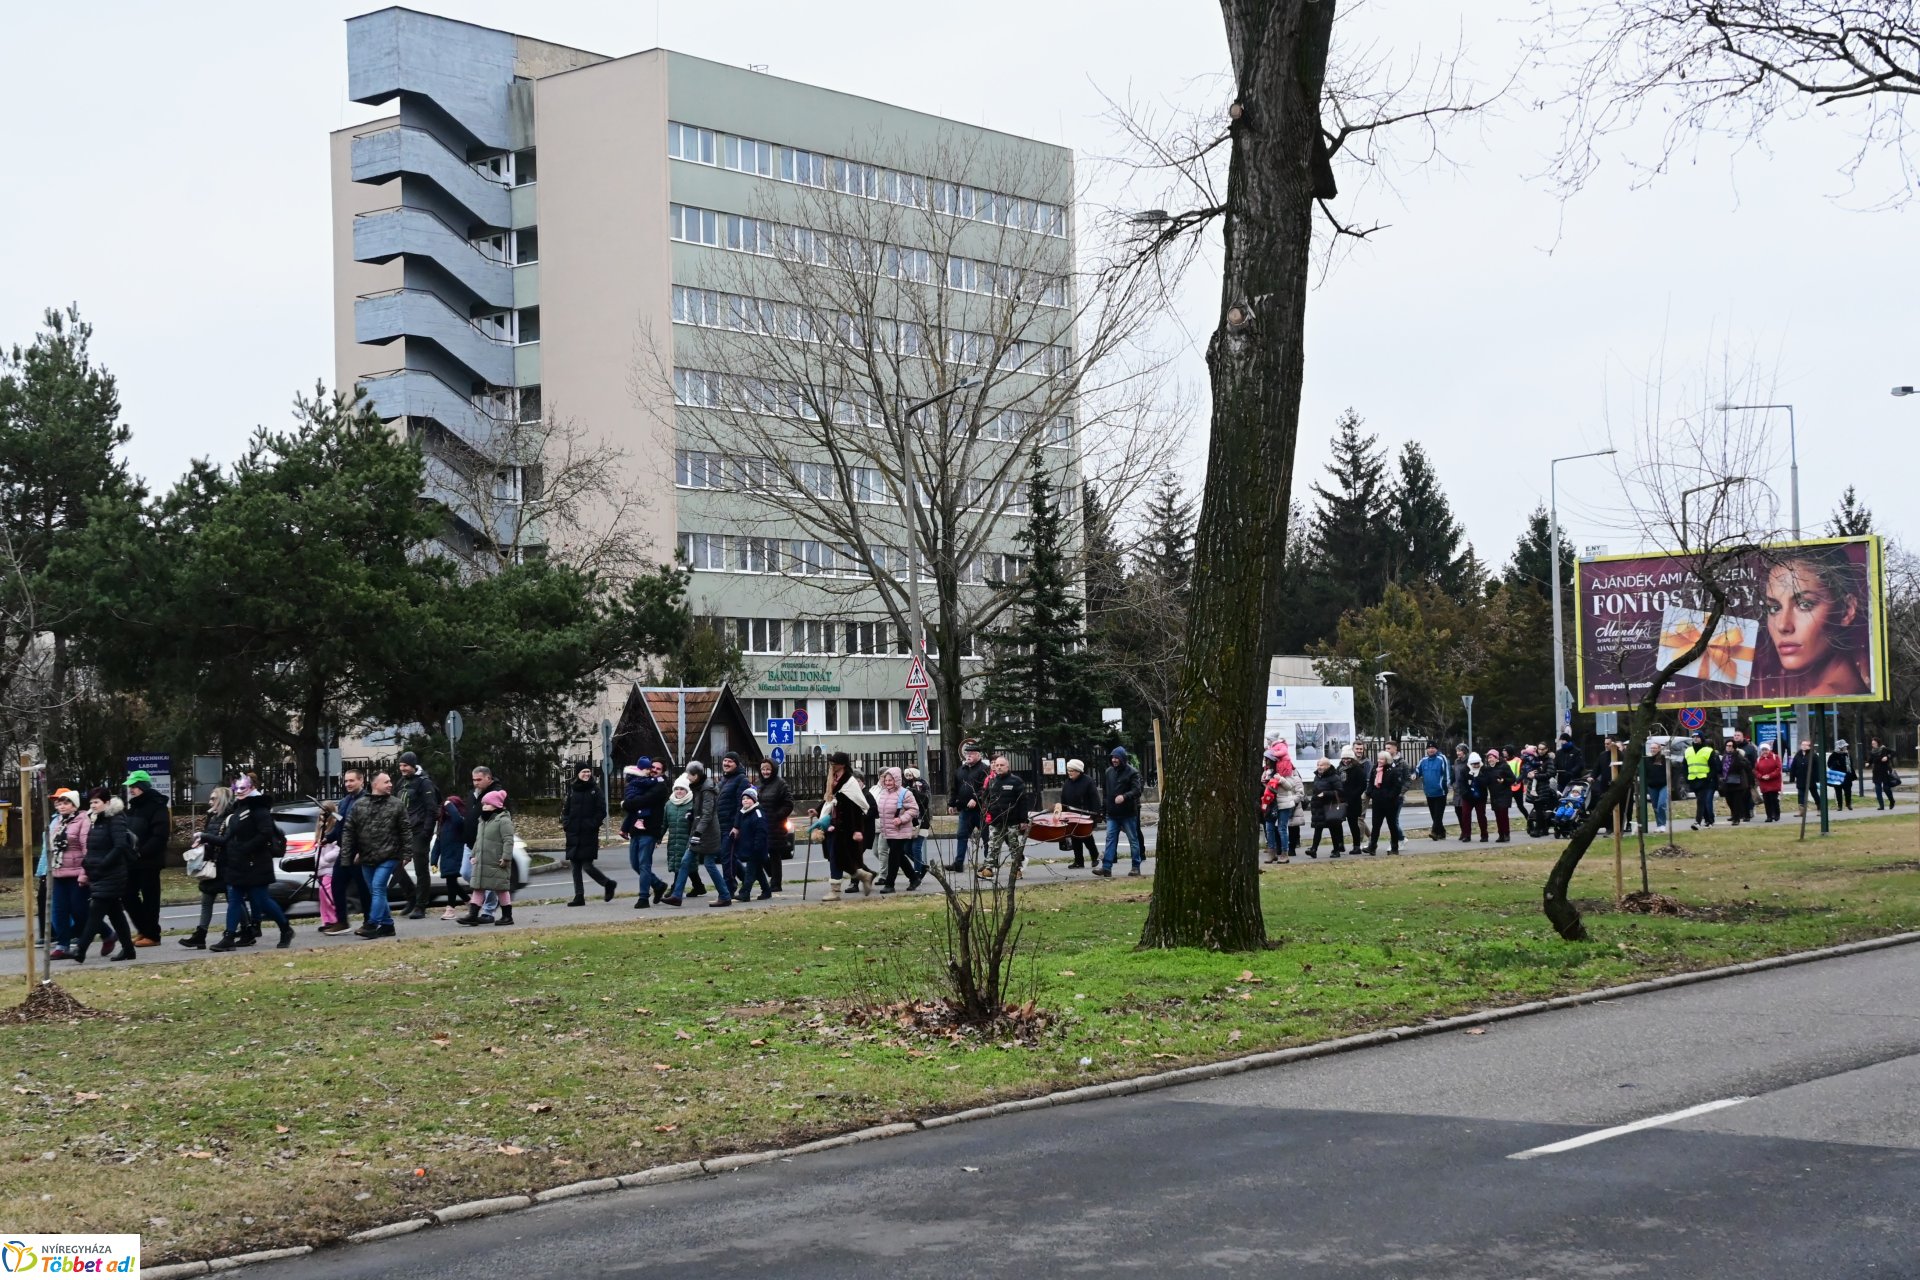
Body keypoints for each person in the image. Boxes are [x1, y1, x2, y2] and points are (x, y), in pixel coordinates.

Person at [1754, 547, 1873, 699]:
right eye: (1774, 608)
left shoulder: (1827, 694)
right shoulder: (1843, 688)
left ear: (1847, 610)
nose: (1783, 626)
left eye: (1804, 605)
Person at [206, 775, 295, 951]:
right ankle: (229, 937)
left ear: (251, 788)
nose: (238, 792)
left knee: (261, 901)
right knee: (234, 899)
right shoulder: (238, 809)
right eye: (236, 788)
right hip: (237, 863)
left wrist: (246, 848)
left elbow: (265, 833)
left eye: (243, 788)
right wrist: (206, 838)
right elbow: (228, 837)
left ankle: (285, 929)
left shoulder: (259, 809)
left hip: (256, 863)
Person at [341, 770, 410, 938]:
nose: (390, 784)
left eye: (390, 781)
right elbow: (349, 831)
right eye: (386, 782)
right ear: (375, 785)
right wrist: (347, 856)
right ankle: (387, 925)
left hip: (389, 855)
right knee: (374, 891)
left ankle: (371, 924)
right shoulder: (360, 805)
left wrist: (407, 853)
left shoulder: (396, 804)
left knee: (378, 887)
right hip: (367, 856)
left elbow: (406, 830)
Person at [73, 788, 137, 963]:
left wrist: (101, 866)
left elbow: (119, 847)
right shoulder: (96, 820)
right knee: (116, 914)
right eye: (91, 802)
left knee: (95, 911)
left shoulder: (115, 819)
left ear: (107, 803)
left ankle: (80, 949)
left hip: (112, 874)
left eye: (96, 802)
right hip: (98, 873)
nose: (93, 805)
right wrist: (87, 865)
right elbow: (93, 847)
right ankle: (129, 950)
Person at [120, 768, 170, 947]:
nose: (131, 789)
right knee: (127, 894)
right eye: (130, 786)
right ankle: (143, 929)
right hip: (132, 860)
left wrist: (141, 852)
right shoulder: (133, 807)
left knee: (150, 898)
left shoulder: (157, 806)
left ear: (143, 786)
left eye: (134, 786)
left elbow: (160, 835)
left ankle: (152, 935)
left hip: (149, 861)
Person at [456, 790, 518, 925]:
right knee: (478, 888)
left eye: (487, 804)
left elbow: (508, 840)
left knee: (501, 889)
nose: (484, 806)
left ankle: (507, 916)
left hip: (497, 861)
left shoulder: (503, 821)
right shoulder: (482, 821)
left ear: (496, 805)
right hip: (482, 862)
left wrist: (506, 857)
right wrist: (473, 855)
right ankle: (472, 915)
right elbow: (478, 841)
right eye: (483, 804)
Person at [822, 752, 877, 897]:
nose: (832, 765)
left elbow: (856, 808)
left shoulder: (850, 783)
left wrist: (857, 830)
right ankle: (864, 875)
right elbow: (829, 799)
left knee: (837, 859)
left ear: (843, 765)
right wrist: (816, 810)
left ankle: (835, 891)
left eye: (835, 763)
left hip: (845, 827)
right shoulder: (833, 779)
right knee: (838, 859)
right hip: (833, 825)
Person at [562, 762, 616, 906]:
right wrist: (566, 823)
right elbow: (566, 809)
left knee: (587, 865)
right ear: (577, 774)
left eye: (588, 771)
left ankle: (608, 884)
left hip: (588, 833)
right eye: (583, 772)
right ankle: (579, 896)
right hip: (573, 832)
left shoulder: (595, 790)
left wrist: (592, 825)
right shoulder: (572, 789)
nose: (586, 774)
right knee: (575, 867)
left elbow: (601, 811)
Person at [45, 789, 90, 960]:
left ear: (74, 806)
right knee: (59, 911)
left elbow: (87, 849)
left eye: (66, 803)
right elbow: (51, 849)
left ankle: (107, 933)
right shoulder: (57, 823)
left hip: (76, 873)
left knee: (80, 911)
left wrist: (85, 874)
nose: (61, 806)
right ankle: (62, 945)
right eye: (59, 803)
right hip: (58, 874)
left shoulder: (82, 821)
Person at [396, 751, 441, 920]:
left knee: (421, 869)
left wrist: (426, 832)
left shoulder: (424, 783)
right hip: (403, 831)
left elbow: (432, 809)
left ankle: (421, 906)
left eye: (405, 765)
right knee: (395, 864)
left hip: (419, 831)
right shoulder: (401, 782)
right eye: (400, 765)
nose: (402, 769)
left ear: (413, 765)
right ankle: (411, 896)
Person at [682, 760, 733, 904]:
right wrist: (692, 813)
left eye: (689, 775)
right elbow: (700, 810)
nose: (687, 778)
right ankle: (677, 894)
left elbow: (707, 814)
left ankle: (724, 895)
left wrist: (698, 833)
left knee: (709, 863)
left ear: (696, 775)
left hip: (708, 832)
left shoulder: (706, 788)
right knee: (689, 861)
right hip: (702, 830)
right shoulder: (699, 787)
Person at [322, 769, 367, 934]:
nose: (348, 784)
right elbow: (339, 826)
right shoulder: (345, 801)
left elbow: (366, 829)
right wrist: (328, 838)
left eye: (352, 781)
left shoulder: (365, 801)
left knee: (363, 889)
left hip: (359, 852)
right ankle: (342, 921)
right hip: (344, 851)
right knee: (336, 885)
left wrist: (361, 851)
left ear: (361, 781)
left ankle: (369, 921)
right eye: (346, 781)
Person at [623, 759, 670, 908]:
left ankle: (643, 897)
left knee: (644, 864)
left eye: (658, 768)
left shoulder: (660, 786)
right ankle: (658, 884)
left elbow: (641, 801)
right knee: (635, 864)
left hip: (650, 830)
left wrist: (627, 803)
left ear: (662, 771)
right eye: (652, 767)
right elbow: (634, 805)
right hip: (636, 829)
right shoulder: (644, 782)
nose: (654, 770)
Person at [980, 753, 1034, 879]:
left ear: (1007, 766)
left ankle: (1016, 869)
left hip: (1012, 820)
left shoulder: (1016, 781)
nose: (998, 767)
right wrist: (988, 811)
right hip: (996, 819)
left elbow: (1023, 802)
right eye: (997, 765)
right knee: (993, 845)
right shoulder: (992, 781)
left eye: (1001, 765)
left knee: (1014, 846)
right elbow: (986, 798)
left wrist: (1023, 820)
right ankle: (988, 868)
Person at [876, 767, 923, 892]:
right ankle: (914, 878)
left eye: (890, 780)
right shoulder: (884, 793)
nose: (887, 783)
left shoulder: (905, 793)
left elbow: (914, 809)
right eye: (886, 780)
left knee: (893, 856)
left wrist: (901, 819)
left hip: (900, 829)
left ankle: (889, 884)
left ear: (896, 780)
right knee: (899, 856)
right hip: (888, 830)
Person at [1099, 747, 1144, 876]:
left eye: (1117, 758)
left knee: (1133, 840)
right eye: (1112, 757)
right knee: (1110, 839)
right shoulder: (1108, 772)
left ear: (1122, 759)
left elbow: (1137, 791)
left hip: (1128, 813)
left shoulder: (1132, 773)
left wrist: (1124, 797)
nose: (1114, 760)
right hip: (1112, 813)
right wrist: (1104, 809)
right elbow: (1106, 793)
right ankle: (1106, 867)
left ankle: (1136, 866)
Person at [948, 741, 989, 873]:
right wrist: (952, 803)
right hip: (965, 809)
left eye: (972, 753)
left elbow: (985, 788)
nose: (969, 756)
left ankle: (988, 863)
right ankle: (958, 863)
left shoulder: (984, 769)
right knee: (961, 835)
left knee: (986, 836)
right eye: (967, 753)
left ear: (978, 755)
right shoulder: (960, 770)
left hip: (980, 810)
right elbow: (954, 788)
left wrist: (976, 799)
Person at [661, 774, 698, 906]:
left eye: (682, 789)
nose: (679, 792)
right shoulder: (669, 805)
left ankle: (674, 890)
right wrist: (658, 837)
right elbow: (664, 824)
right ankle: (699, 886)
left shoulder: (692, 803)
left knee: (682, 864)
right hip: (674, 840)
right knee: (686, 865)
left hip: (688, 840)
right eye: (676, 789)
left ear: (687, 791)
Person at [758, 759, 794, 894]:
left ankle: (776, 883)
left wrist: (777, 815)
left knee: (774, 854)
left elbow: (789, 803)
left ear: (773, 769)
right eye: (763, 769)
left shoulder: (781, 784)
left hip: (775, 825)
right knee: (760, 853)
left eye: (768, 769)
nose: (765, 772)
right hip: (761, 823)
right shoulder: (759, 783)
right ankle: (772, 876)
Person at [716, 751, 751, 889]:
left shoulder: (741, 779)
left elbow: (740, 805)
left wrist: (737, 826)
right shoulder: (724, 779)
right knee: (729, 856)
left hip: (731, 825)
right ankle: (748, 879)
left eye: (730, 761)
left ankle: (729, 887)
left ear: (736, 764)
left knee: (726, 857)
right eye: (725, 761)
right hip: (721, 824)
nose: (726, 763)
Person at [1059, 758, 1103, 868]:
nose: (1069, 773)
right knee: (1075, 837)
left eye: (1072, 770)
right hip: (1071, 815)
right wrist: (1063, 814)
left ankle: (1095, 856)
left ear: (1078, 771)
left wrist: (1096, 814)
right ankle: (1079, 861)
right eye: (1068, 770)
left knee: (1086, 836)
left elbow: (1095, 799)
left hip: (1086, 815)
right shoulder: (1067, 783)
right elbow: (1063, 800)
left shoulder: (1088, 781)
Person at [431, 794, 467, 920]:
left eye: (451, 807)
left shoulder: (460, 821)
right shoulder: (442, 824)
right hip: (446, 859)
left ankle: (450, 909)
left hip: (457, 856)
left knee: (451, 882)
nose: (447, 810)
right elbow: (437, 844)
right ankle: (469, 901)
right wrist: (433, 862)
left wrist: (449, 805)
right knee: (452, 883)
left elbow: (457, 819)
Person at [735, 785, 774, 900]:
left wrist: (757, 847)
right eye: (743, 799)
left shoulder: (757, 814)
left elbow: (761, 832)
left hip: (757, 849)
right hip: (749, 849)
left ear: (754, 800)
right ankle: (766, 890)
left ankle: (744, 893)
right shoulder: (744, 813)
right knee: (758, 871)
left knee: (749, 872)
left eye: (748, 798)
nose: (745, 800)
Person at [1364, 748, 1405, 855]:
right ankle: (1372, 847)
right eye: (1378, 759)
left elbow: (1397, 787)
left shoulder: (1393, 771)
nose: (1379, 761)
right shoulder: (1375, 769)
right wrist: (1371, 793)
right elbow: (1371, 784)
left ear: (1387, 760)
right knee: (1376, 825)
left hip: (1390, 803)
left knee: (1392, 825)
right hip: (1377, 802)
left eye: (1382, 759)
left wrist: (1389, 797)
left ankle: (1394, 848)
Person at [1305, 758, 1345, 858]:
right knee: (1318, 828)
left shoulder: (1334, 777)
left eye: (1322, 765)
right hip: (1318, 807)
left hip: (1330, 807)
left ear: (1328, 766)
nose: (1319, 767)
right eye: (1318, 765)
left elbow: (1339, 791)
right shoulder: (1317, 777)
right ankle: (1313, 849)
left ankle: (1336, 850)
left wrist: (1326, 794)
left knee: (1333, 829)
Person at [313, 801, 341, 932]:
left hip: (329, 867)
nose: (321, 817)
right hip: (321, 868)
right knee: (322, 894)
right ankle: (326, 920)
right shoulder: (320, 829)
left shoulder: (334, 829)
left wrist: (324, 860)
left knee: (327, 893)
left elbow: (337, 849)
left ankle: (334, 919)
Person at [1415, 744, 1452, 840]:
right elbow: (1417, 770)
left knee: (1438, 814)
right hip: (1429, 791)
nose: (1431, 750)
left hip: (1440, 791)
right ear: (1427, 749)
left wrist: (1444, 785)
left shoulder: (1441, 758)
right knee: (1434, 814)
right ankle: (1442, 832)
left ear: (1436, 749)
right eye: (1429, 748)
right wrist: (1414, 775)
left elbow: (1447, 773)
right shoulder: (1423, 760)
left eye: (1433, 748)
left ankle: (1434, 832)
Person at [903, 766, 933, 881]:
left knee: (916, 847)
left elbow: (926, 799)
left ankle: (917, 871)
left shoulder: (922, 784)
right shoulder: (904, 785)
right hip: (908, 820)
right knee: (906, 849)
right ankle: (922, 866)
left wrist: (915, 792)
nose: (909, 777)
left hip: (922, 819)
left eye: (911, 774)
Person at [1336, 748, 1368, 851]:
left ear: (1351, 758)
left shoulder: (1358, 769)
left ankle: (1356, 846)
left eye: (1348, 758)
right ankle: (1340, 844)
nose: (1345, 760)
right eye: (1344, 758)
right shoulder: (1339, 769)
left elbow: (1362, 785)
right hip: (1341, 800)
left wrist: (1353, 795)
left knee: (1353, 824)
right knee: (1337, 823)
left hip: (1353, 801)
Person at [1686, 733, 1718, 830]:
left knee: (1700, 800)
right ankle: (1709, 820)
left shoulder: (1708, 751)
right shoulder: (1688, 750)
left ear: (1702, 738)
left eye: (1697, 737)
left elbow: (1714, 767)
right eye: (1693, 737)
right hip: (1693, 779)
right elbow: (1684, 765)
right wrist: (1686, 776)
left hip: (1704, 779)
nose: (1695, 739)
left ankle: (1697, 822)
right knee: (1701, 800)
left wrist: (1708, 777)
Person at [1719, 737, 1753, 826]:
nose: (1728, 747)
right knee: (1729, 801)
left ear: (1734, 747)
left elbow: (1747, 765)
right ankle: (1735, 815)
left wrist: (1738, 760)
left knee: (1737, 801)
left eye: (1730, 746)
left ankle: (1736, 819)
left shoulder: (1738, 755)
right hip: (1727, 782)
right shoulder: (1725, 757)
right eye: (1727, 746)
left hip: (1738, 783)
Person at [1484, 747, 1515, 843]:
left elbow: (1513, 779)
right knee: (1497, 815)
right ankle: (1501, 835)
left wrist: (1504, 781)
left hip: (1504, 794)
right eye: (1488, 758)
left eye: (1491, 757)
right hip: (1494, 795)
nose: (1490, 759)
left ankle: (1506, 834)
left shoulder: (1504, 766)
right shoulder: (1488, 769)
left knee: (1503, 815)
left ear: (1496, 758)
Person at [1458, 752, 1490, 842]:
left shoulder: (1484, 769)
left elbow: (1486, 782)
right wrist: (1465, 794)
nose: (1476, 765)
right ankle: (1466, 835)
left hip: (1480, 797)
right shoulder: (1465, 770)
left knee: (1481, 816)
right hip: (1468, 797)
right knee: (1465, 815)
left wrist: (1477, 778)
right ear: (1470, 763)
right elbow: (1461, 784)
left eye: (1477, 763)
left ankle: (1484, 835)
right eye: (1474, 764)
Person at [1642, 743, 1670, 834]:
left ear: (1659, 749)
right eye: (1651, 748)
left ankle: (1662, 825)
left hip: (1663, 785)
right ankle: (1659, 825)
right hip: (1652, 786)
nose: (1653, 750)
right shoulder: (1647, 760)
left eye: (1654, 748)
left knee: (1661, 804)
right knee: (1655, 807)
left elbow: (1670, 771)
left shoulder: (1663, 759)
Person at [1754, 742, 1784, 823]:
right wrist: (1761, 776)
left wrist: (1770, 776)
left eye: (1766, 750)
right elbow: (1755, 770)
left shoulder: (1775, 757)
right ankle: (1769, 816)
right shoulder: (1758, 759)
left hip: (1774, 782)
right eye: (1763, 750)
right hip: (1764, 783)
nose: (1764, 751)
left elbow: (1778, 769)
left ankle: (1776, 814)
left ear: (1769, 750)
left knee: (1774, 799)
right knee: (1767, 800)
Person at [1868, 737, 1898, 810]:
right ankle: (1881, 806)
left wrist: (1887, 757)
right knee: (1878, 788)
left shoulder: (1884, 749)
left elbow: (1894, 752)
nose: (1873, 745)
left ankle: (1892, 801)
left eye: (1874, 743)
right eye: (1872, 744)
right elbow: (1870, 760)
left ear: (1878, 743)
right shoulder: (1872, 752)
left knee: (1886, 788)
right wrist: (1867, 763)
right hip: (1876, 772)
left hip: (1885, 771)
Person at [1789, 740, 1816, 814]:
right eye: (1802, 745)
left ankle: (1819, 808)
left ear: (1809, 746)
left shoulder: (1813, 755)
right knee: (1801, 795)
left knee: (1814, 794)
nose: (1803, 746)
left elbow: (1817, 767)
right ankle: (1801, 811)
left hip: (1811, 779)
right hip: (1800, 779)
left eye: (1806, 745)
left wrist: (1817, 778)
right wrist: (1792, 777)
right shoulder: (1798, 755)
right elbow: (1793, 767)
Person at [1829, 739, 1856, 811]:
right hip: (1838, 776)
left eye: (1845, 746)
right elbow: (1829, 764)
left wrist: (1852, 774)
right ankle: (1840, 806)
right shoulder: (1834, 755)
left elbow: (1851, 764)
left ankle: (1848, 804)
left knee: (1848, 791)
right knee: (1838, 791)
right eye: (1844, 746)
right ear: (1840, 747)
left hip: (1847, 776)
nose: (1845, 747)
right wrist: (1836, 764)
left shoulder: (1847, 754)